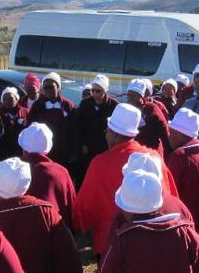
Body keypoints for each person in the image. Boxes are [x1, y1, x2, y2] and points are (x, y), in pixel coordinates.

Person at [73, 104, 174, 256]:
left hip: (111, 242)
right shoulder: (154, 157)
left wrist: (81, 227)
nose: (105, 135)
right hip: (152, 239)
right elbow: (170, 197)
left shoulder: (100, 162)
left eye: (107, 131)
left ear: (115, 135)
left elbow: (85, 207)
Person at [17, 123, 76, 228]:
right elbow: (71, 208)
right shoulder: (60, 172)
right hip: (55, 232)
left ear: (23, 148)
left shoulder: (13, 171)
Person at [73, 74, 120, 183]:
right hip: (87, 149)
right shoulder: (85, 104)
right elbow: (79, 127)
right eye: (93, 90)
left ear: (105, 91)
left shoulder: (114, 106)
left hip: (105, 148)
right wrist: (82, 144)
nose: (95, 94)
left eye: (98, 91)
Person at [25, 72, 76, 164]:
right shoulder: (37, 105)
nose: (48, 90)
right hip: (43, 152)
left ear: (58, 87)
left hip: (63, 151)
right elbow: (31, 127)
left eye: (51, 87)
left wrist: (73, 152)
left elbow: (74, 129)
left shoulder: (68, 105)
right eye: (45, 88)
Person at [127, 79, 170, 155]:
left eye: (133, 96)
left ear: (142, 96)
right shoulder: (126, 109)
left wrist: (168, 154)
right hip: (133, 153)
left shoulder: (152, 109)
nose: (130, 99)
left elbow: (165, 133)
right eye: (128, 95)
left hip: (151, 153)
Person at [0, 87, 29, 160]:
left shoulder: (25, 112)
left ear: (16, 99)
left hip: (22, 149)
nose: (8, 101)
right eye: (5, 99)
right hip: (5, 150)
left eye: (10, 98)